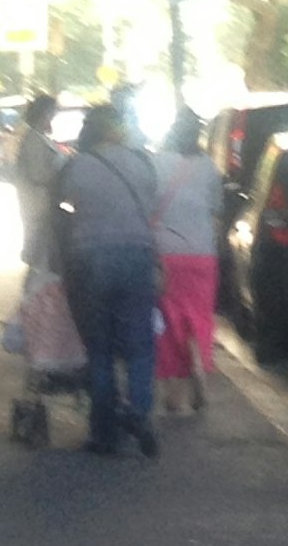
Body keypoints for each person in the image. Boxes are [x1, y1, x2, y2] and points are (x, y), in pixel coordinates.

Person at [52, 87, 163, 455]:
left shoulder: (76, 166)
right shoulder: (141, 162)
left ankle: (104, 432)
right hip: (136, 255)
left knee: (99, 349)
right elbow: (150, 205)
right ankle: (139, 412)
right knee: (139, 346)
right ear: (118, 130)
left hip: (90, 259)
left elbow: (64, 209)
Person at [152, 111, 223, 416]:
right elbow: (217, 210)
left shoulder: (156, 163)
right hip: (202, 254)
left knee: (169, 321)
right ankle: (199, 365)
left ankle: (175, 397)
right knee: (200, 316)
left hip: (166, 253)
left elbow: (148, 205)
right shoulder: (209, 167)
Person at [12, 93, 65, 273]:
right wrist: (60, 170)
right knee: (39, 254)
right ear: (45, 114)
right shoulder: (34, 139)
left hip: (39, 203)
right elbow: (38, 174)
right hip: (37, 204)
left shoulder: (38, 138)